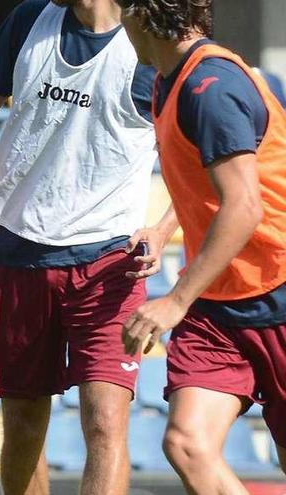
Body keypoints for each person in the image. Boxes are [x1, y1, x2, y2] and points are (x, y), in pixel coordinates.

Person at [0, 0, 173, 493]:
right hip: (20, 255)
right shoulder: (27, 20)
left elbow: (196, 159)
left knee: (104, 424)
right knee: (24, 427)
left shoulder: (149, 41)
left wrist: (162, 230)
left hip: (110, 265)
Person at [118, 0, 286, 492]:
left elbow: (244, 207)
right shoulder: (168, 79)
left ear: (144, 15)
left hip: (277, 287)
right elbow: (211, 182)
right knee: (188, 444)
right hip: (219, 302)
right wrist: (166, 227)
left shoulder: (211, 87)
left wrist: (174, 300)